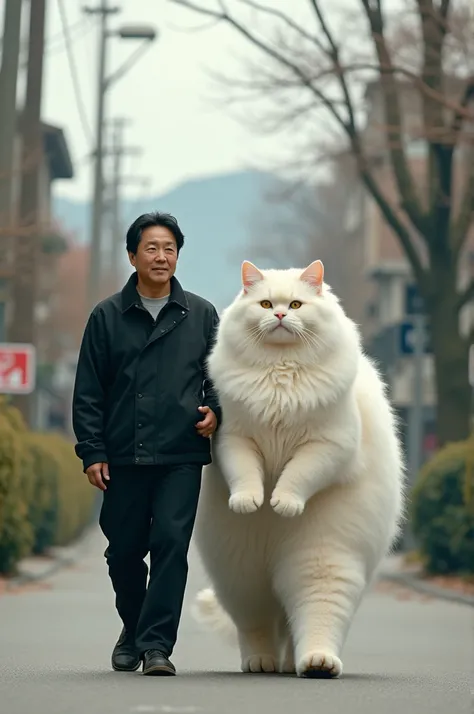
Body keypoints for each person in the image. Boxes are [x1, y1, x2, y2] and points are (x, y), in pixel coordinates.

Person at [72, 211, 221, 676]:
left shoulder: (200, 314)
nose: (161, 256)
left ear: (178, 256)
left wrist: (217, 411)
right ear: (133, 255)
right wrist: (92, 451)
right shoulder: (107, 317)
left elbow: (219, 377)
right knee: (123, 551)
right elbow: (89, 390)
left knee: (171, 545)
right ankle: (134, 627)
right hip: (123, 454)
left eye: (169, 249)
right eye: (151, 248)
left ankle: (157, 646)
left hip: (180, 453)